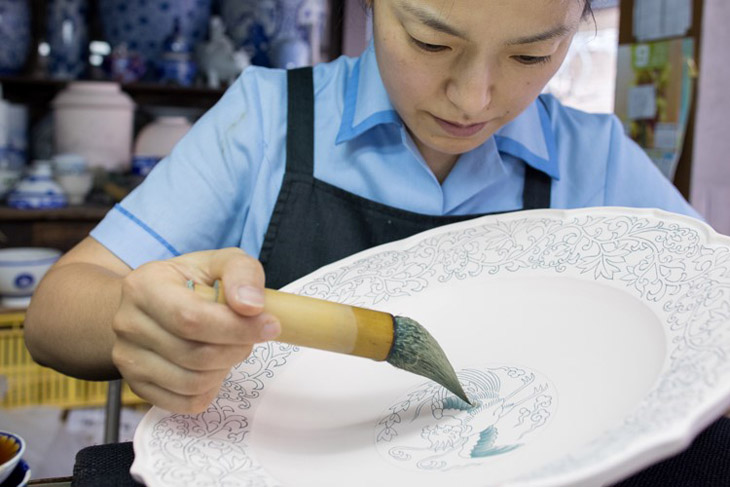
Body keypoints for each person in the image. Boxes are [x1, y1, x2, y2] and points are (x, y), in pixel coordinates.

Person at [24, 0, 700, 415]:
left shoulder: (596, 158)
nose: (473, 98)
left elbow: (710, 317)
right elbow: (53, 315)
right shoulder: (268, 118)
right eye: (433, 43)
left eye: (533, 53)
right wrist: (137, 318)